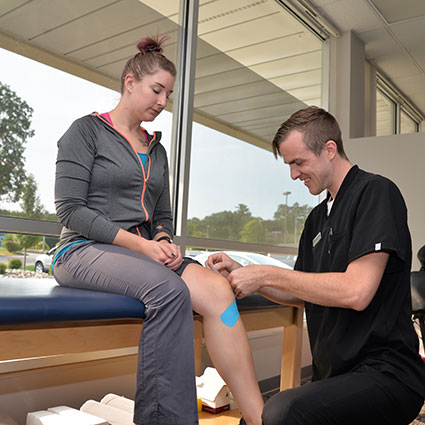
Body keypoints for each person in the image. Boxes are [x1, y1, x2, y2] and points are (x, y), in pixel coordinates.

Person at [53, 36, 263, 425]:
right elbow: (69, 210)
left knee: (219, 292)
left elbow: (162, 213)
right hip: (82, 250)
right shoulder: (86, 132)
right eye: (157, 90)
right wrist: (143, 245)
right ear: (129, 82)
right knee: (169, 291)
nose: (163, 101)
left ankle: (258, 417)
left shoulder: (158, 149)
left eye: (168, 93)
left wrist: (163, 238)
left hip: (142, 253)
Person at [206, 106, 425, 425]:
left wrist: (265, 272)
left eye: (299, 162)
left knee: (283, 413)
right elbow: (300, 292)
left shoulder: (376, 193)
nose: (294, 174)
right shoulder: (316, 220)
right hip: (336, 376)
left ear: (330, 150)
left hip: (386, 373)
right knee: (257, 418)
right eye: (289, 165)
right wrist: (244, 273)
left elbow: (357, 291)